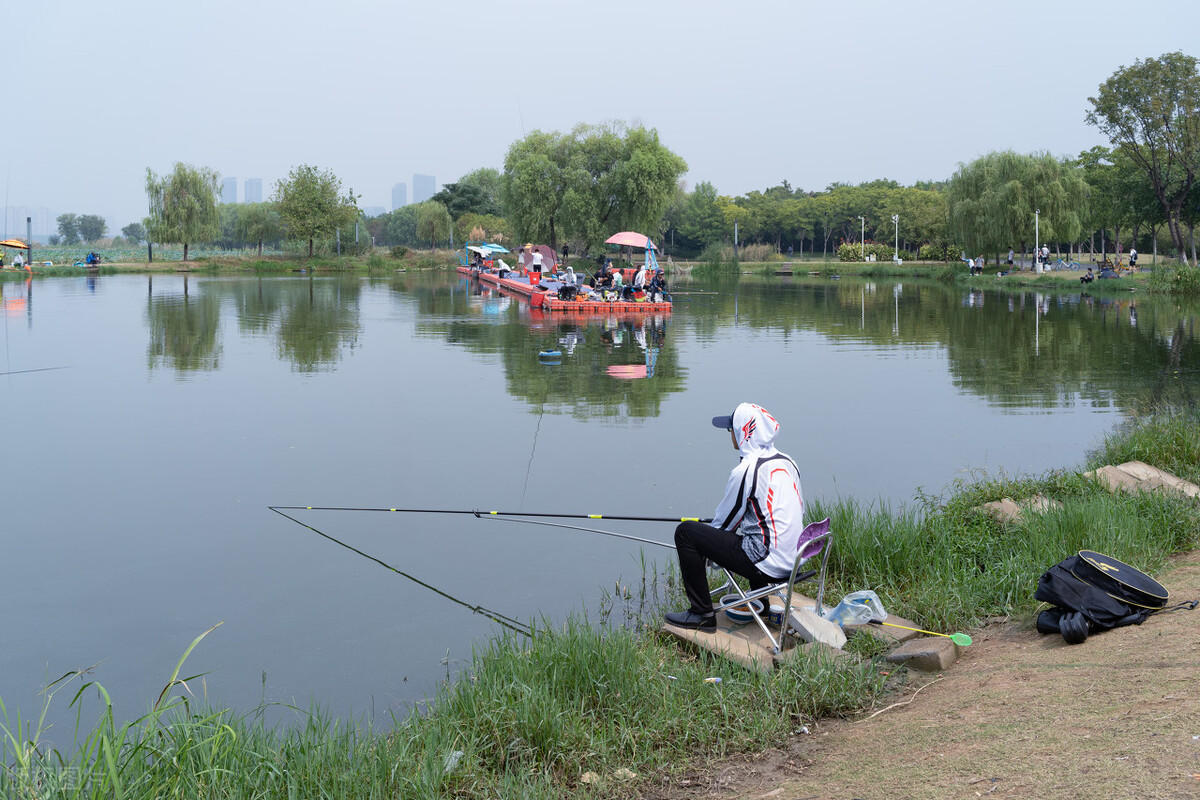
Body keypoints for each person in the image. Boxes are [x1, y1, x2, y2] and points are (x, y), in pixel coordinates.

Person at [666, 404, 804, 631]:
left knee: (686, 533)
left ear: (742, 432)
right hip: (795, 560)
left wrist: (709, 553)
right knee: (757, 531)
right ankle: (761, 601)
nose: (730, 434)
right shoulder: (788, 462)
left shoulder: (746, 471)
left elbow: (724, 526)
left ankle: (701, 614)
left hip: (769, 565)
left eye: (731, 429)